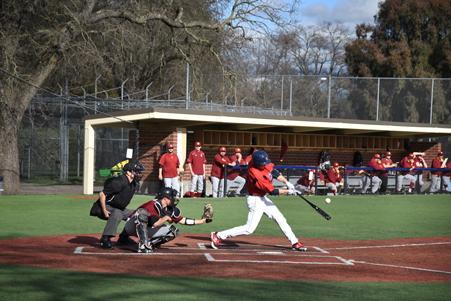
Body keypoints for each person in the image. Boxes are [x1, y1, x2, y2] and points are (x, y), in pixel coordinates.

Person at [210, 150, 307, 252]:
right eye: (263, 164)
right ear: (257, 163)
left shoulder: (259, 161)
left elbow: (274, 172)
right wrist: (290, 191)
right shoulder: (255, 174)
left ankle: (294, 242)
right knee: (249, 229)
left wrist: (287, 182)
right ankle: (218, 235)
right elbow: (273, 191)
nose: (265, 165)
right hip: (255, 200)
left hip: (263, 198)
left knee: (280, 218)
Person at [119, 187, 212, 253]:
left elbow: (183, 220)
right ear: (165, 199)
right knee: (142, 214)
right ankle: (142, 245)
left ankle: (150, 244)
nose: (174, 199)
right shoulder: (152, 204)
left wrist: (202, 220)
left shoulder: (170, 209)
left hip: (146, 228)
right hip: (131, 227)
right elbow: (155, 223)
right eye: (172, 197)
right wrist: (166, 218)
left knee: (173, 231)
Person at [92, 161, 144, 249]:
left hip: (119, 208)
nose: (139, 174)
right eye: (136, 171)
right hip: (104, 207)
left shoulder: (134, 183)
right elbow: (102, 194)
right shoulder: (119, 182)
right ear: (128, 172)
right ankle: (105, 238)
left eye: (139, 172)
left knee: (138, 214)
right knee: (118, 213)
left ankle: (123, 237)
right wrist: (104, 210)